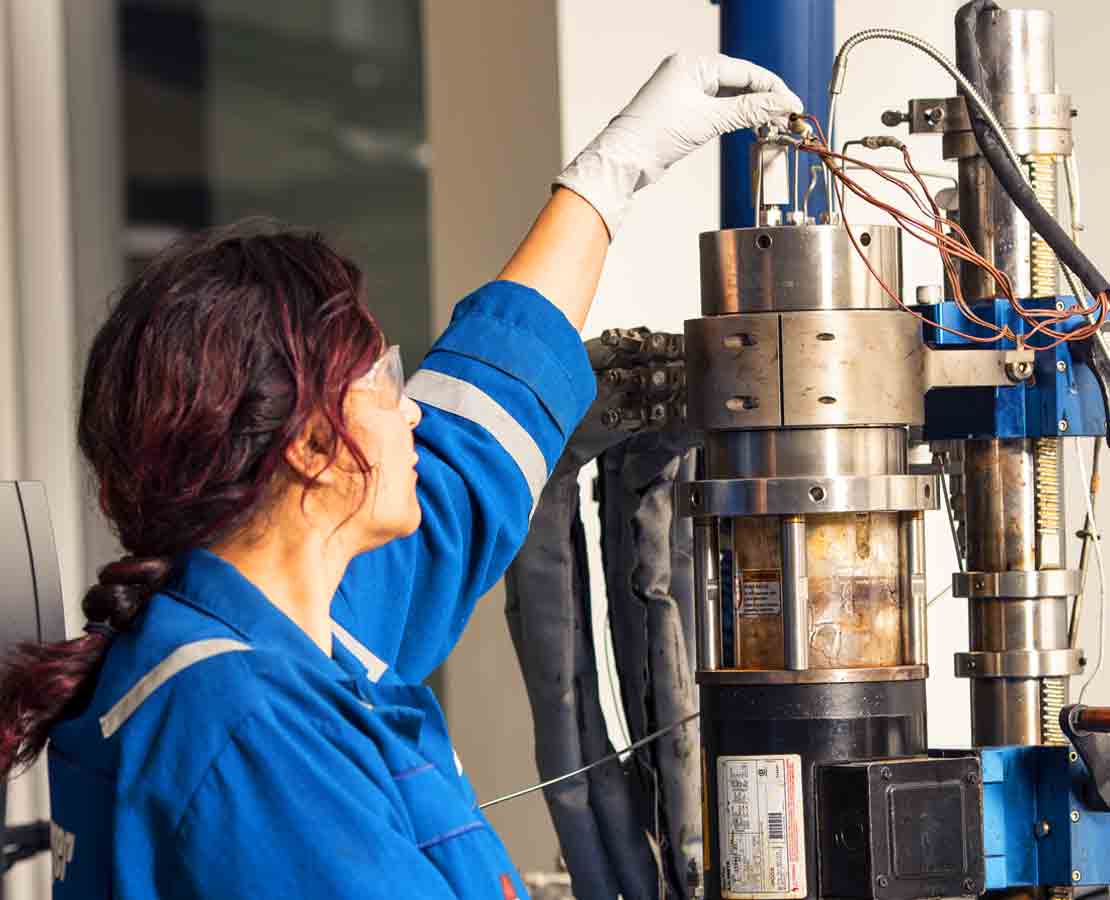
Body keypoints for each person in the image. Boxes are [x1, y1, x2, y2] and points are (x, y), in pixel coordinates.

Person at [0, 54, 800, 898]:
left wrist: (610, 177)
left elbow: (477, 430)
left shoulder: (298, 624)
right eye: (381, 378)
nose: (408, 407)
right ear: (310, 450)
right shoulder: (253, 732)